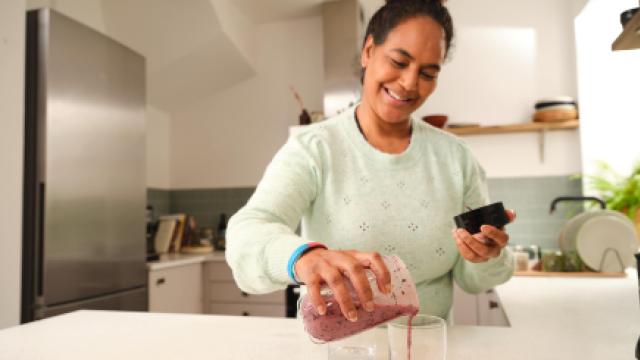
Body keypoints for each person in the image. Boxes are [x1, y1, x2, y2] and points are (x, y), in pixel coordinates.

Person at [226, 0, 515, 323]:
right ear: (368, 51)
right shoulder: (313, 148)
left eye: (428, 73)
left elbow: (474, 280)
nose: (409, 83)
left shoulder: (456, 158)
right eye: (399, 61)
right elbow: (247, 232)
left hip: (426, 347)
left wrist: (486, 254)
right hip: (337, 350)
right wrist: (303, 257)